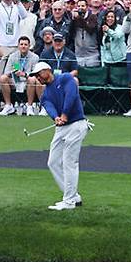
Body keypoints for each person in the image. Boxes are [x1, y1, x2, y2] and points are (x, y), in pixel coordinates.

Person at [29, 61, 88, 211]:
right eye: (35, 76)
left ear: (47, 71)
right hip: (61, 128)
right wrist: (56, 117)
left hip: (76, 124)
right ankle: (73, 196)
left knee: (69, 162)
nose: (37, 78)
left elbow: (71, 95)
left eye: (38, 74)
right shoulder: (45, 94)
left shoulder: (66, 78)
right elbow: (49, 106)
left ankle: (68, 201)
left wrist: (65, 114)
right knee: (53, 162)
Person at [0, 35, 40, 115]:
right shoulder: (13, 56)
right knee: (3, 78)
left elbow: (35, 73)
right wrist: (13, 72)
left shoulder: (35, 57)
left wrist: (24, 74)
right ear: (18, 46)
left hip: (27, 81)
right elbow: (7, 72)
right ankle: (8, 106)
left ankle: (29, 106)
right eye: (21, 44)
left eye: (25, 44)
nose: (23, 46)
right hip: (15, 80)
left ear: (29, 46)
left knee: (32, 79)